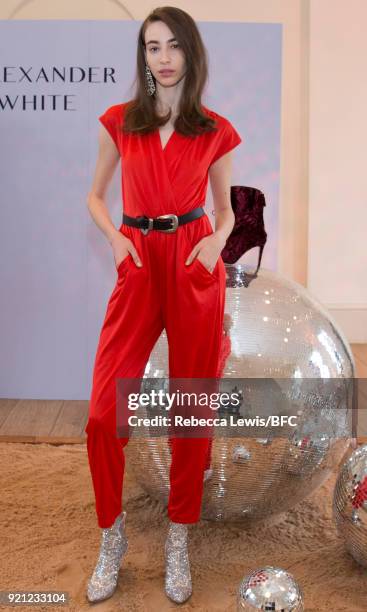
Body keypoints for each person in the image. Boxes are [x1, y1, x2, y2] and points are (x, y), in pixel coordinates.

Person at [85, 5, 242, 605]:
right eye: (153, 47)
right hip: (140, 261)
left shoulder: (216, 130)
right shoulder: (120, 122)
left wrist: (214, 244)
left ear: (190, 53)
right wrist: (119, 241)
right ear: (143, 57)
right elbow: (94, 197)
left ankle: (179, 538)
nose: (164, 56)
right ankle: (112, 537)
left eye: (174, 45)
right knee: (104, 413)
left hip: (192, 264)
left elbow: (229, 210)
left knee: (190, 407)